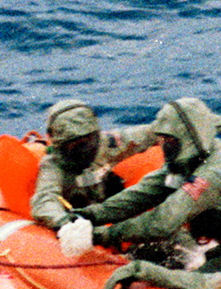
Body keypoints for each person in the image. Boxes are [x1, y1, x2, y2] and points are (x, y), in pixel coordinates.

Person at [88, 97, 221, 269]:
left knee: (179, 280)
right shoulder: (188, 158)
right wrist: (92, 215)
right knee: (145, 252)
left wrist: (101, 235)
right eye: (163, 139)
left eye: (171, 140)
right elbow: (145, 192)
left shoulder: (213, 173)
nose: (164, 146)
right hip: (208, 236)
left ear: (190, 138)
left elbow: (163, 222)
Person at [27, 100, 153, 240]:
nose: (86, 150)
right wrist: (64, 222)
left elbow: (148, 134)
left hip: (110, 211)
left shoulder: (107, 144)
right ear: (61, 146)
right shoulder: (53, 166)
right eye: (76, 145)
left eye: (89, 141)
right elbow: (44, 200)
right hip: (82, 221)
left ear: (96, 135)